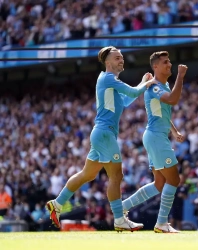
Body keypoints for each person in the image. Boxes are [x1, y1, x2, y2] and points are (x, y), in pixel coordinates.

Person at [46, 46, 156, 232]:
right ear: (108, 62)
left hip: (101, 133)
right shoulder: (109, 78)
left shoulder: (109, 82)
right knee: (116, 176)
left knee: (87, 174)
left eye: (121, 57)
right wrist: (147, 83)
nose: (121, 60)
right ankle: (120, 219)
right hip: (105, 133)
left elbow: (126, 100)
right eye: (117, 58)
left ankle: (57, 203)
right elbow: (132, 93)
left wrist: (142, 84)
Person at [121, 51, 188, 233]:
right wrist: (181, 76)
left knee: (159, 184)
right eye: (165, 62)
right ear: (155, 67)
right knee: (174, 179)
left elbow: (164, 112)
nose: (170, 65)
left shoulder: (163, 85)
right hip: (156, 137)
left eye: (169, 61)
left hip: (155, 136)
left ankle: (122, 206)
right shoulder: (155, 87)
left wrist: (174, 131)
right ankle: (161, 223)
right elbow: (173, 100)